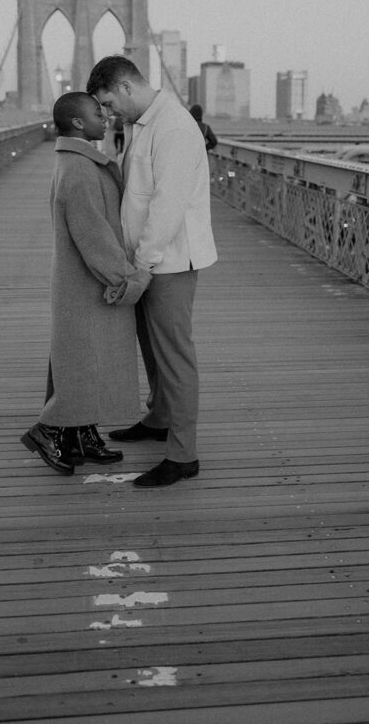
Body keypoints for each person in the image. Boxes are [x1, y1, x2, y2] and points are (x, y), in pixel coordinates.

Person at [86, 56, 217, 488]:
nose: (107, 114)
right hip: (146, 260)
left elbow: (167, 206)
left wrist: (141, 266)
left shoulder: (175, 128)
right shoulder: (142, 124)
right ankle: (160, 418)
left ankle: (183, 455)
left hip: (170, 262)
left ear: (126, 87)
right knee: (153, 349)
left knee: (175, 357)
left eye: (107, 103)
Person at [21, 91, 151, 476]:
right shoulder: (78, 168)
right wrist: (127, 279)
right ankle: (48, 429)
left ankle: (81, 434)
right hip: (88, 283)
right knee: (82, 360)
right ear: (78, 123)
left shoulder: (76, 161)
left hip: (81, 282)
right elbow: (92, 234)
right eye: (97, 113)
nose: (105, 117)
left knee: (85, 360)